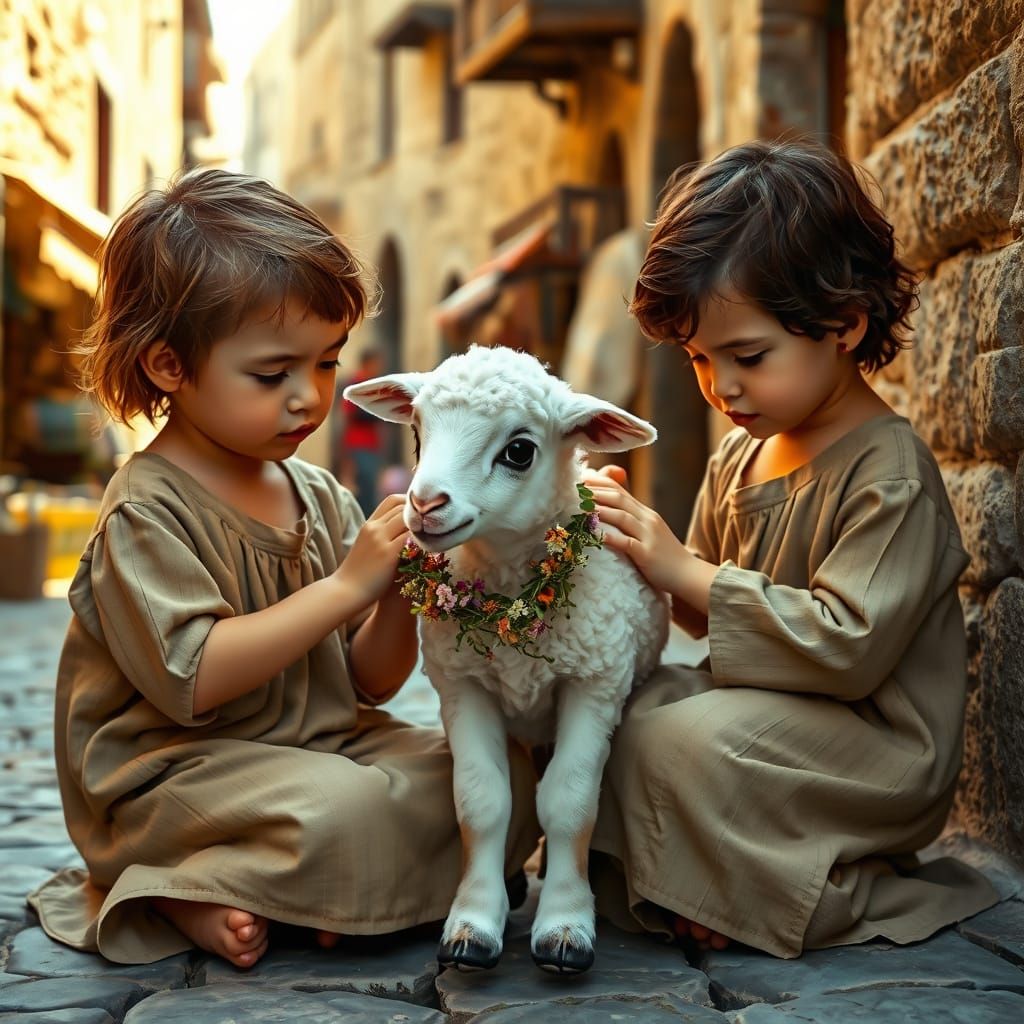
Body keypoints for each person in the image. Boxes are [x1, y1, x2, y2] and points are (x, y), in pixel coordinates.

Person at [28, 168, 540, 968]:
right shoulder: (146, 511)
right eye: (273, 374)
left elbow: (368, 684)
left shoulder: (316, 493)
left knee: (496, 768)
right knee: (344, 812)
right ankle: (168, 888)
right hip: (175, 774)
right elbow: (193, 678)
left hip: (321, 747)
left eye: (328, 364)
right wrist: (345, 588)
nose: (309, 397)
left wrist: (400, 593)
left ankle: (327, 896)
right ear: (169, 366)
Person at [583, 139, 998, 959]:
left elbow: (848, 647)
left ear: (843, 324)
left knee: (678, 743)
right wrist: (619, 547)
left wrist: (679, 566)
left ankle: (829, 892)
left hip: (869, 746)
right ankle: (701, 891)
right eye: (700, 360)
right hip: (761, 719)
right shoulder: (740, 452)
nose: (721, 387)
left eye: (747, 357)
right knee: (612, 717)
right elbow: (700, 620)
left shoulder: (890, 471)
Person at [334, 347, 385, 517]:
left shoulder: (373, 385)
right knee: (364, 493)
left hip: (371, 446)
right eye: (376, 363)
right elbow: (349, 417)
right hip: (358, 446)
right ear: (368, 363)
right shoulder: (356, 385)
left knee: (370, 490)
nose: (379, 367)